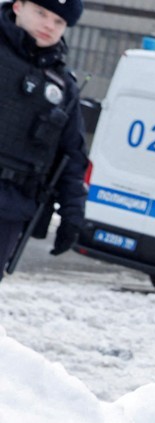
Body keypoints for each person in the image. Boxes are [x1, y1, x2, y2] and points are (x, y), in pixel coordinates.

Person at [0, 0, 87, 280]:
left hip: (10, 208)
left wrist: (72, 215)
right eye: (41, 13)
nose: (49, 25)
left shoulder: (63, 85)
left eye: (59, 22)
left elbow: (72, 155)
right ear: (17, 6)